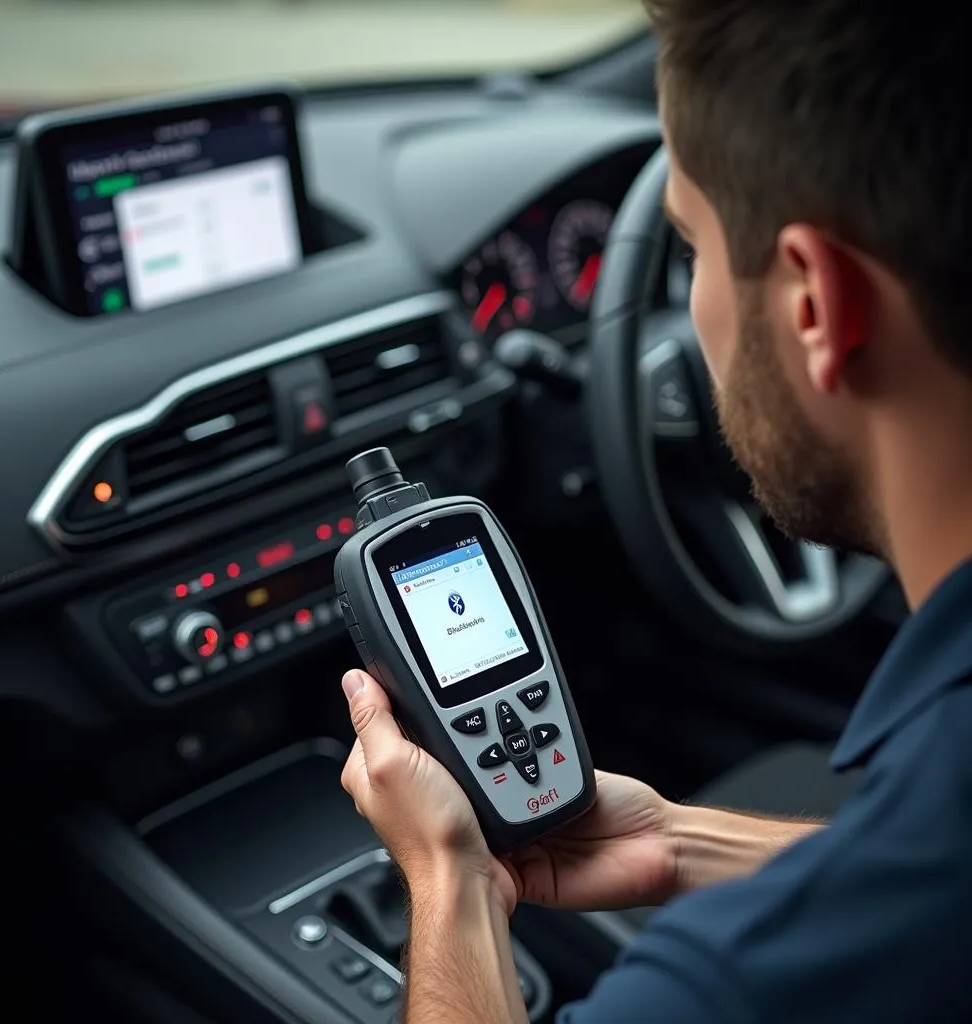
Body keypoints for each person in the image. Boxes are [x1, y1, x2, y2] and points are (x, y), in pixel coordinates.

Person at [340, 2, 972, 1019]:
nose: (690, 312)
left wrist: (448, 879)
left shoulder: (739, 981)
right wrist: (683, 841)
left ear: (815, 306)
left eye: (688, 249)